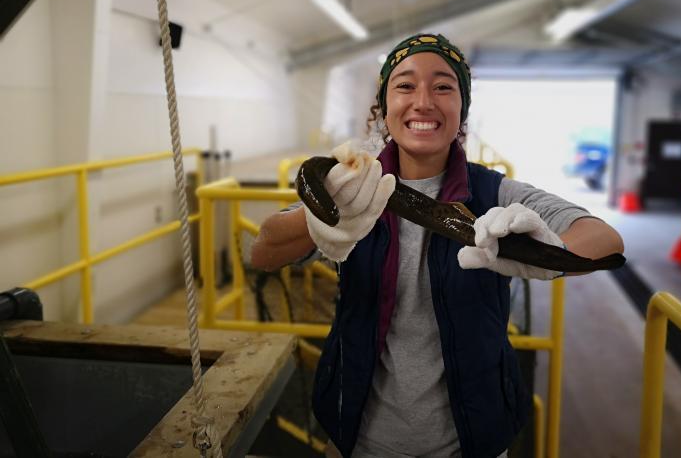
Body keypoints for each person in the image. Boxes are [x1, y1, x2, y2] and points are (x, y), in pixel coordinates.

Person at [250, 33, 624, 458]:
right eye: (405, 85)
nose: (423, 101)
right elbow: (263, 251)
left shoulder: (496, 193)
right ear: (383, 107)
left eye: (443, 86)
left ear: (461, 108)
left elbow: (605, 239)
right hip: (357, 438)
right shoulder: (352, 188)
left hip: (471, 443)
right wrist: (323, 219)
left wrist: (551, 249)